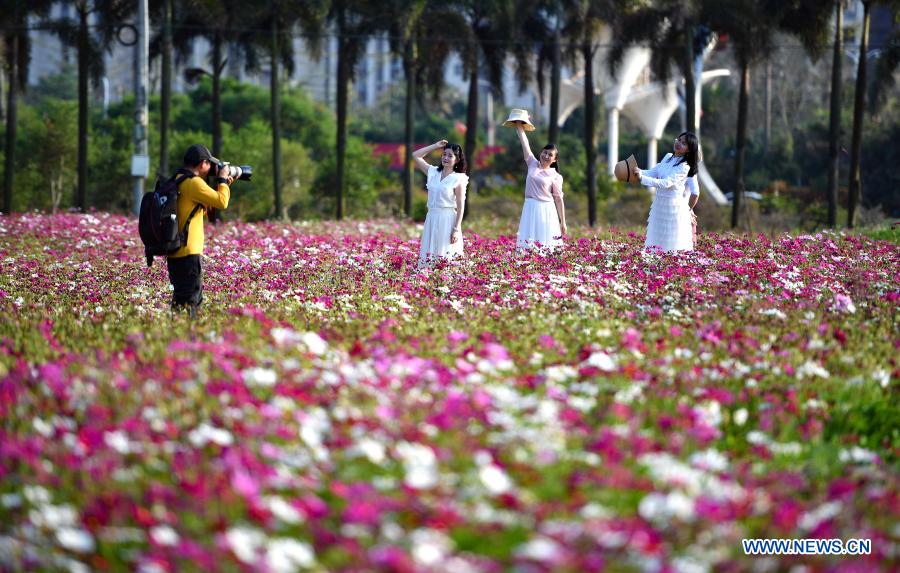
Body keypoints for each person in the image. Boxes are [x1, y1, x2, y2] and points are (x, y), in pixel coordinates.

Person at [166, 144, 233, 316]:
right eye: (209, 164)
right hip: (189, 252)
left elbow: (196, 209)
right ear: (203, 163)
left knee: (181, 300)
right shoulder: (194, 183)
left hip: (174, 252)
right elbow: (222, 202)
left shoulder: (178, 178)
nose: (211, 168)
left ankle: (175, 334)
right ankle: (187, 338)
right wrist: (223, 181)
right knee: (191, 302)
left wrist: (223, 185)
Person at [632, 132, 699, 252]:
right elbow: (654, 172)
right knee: (657, 238)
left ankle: (672, 268)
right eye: (679, 140)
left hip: (674, 207)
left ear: (689, 149)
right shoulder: (668, 156)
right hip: (659, 204)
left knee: (671, 241)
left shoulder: (685, 166)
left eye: (684, 143)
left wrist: (642, 178)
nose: (678, 143)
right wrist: (638, 171)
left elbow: (666, 183)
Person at [412, 140, 469, 267]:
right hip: (432, 216)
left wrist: (456, 229)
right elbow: (416, 155)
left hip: (447, 219)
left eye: (450, 155)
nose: (446, 158)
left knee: (445, 252)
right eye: (444, 154)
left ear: (457, 159)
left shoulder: (459, 178)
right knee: (430, 251)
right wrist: (435, 146)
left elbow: (460, 207)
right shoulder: (433, 172)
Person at [514, 124, 567, 251]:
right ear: (540, 152)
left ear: (554, 159)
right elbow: (525, 143)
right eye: (544, 152)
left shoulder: (556, 176)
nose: (546, 156)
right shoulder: (532, 163)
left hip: (545, 210)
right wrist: (519, 127)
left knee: (544, 242)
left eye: (550, 155)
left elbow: (559, 200)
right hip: (529, 206)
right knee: (528, 242)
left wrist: (563, 222)